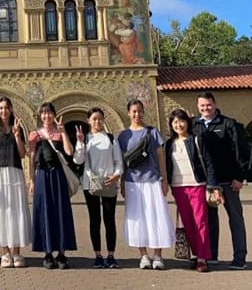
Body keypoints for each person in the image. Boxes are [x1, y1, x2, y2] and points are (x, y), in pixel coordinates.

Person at [192, 92, 250, 270]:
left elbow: (242, 151)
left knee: (235, 218)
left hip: (228, 180)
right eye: (202, 105)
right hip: (207, 182)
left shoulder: (228, 124)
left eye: (208, 105)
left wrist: (239, 177)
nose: (205, 108)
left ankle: (240, 257)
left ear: (215, 104)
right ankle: (212, 255)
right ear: (198, 106)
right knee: (209, 221)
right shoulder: (195, 125)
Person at [118, 99, 174, 270]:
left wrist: (164, 179)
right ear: (128, 113)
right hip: (132, 182)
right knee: (138, 219)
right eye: (134, 111)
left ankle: (158, 255)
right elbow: (122, 161)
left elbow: (160, 157)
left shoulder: (153, 132)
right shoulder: (123, 135)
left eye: (140, 111)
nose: (137, 114)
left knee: (157, 217)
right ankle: (143, 255)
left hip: (152, 180)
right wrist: (121, 182)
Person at [165, 108, 220, 273]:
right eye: (175, 122)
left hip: (197, 185)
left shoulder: (196, 140)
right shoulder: (169, 144)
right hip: (178, 187)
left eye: (181, 121)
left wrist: (212, 186)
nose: (178, 125)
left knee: (200, 222)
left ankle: (203, 258)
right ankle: (196, 254)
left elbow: (209, 163)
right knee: (188, 223)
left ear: (187, 122)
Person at [28, 102, 81, 269]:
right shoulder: (35, 134)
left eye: (49, 113)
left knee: (60, 211)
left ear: (54, 115)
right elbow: (31, 158)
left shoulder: (59, 133)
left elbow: (69, 152)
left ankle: (62, 253)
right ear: (40, 116)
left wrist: (64, 132)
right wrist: (31, 180)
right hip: (42, 176)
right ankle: (48, 253)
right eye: (43, 113)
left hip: (58, 176)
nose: (46, 116)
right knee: (44, 212)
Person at [0, 96, 32, 268]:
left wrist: (18, 136)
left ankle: (17, 252)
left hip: (15, 172)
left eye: (6, 107)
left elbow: (21, 154)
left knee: (16, 209)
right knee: (1, 211)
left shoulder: (17, 128)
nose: (3, 111)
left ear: (11, 109)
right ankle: (5, 252)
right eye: (1, 108)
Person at [75, 107, 123, 269]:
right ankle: (97, 255)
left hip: (109, 183)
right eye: (94, 119)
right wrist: (80, 142)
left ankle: (111, 255)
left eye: (100, 118)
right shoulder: (85, 139)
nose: (97, 121)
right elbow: (78, 161)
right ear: (89, 121)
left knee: (110, 220)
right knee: (95, 220)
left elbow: (118, 161)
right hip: (91, 185)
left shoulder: (111, 138)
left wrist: (116, 175)